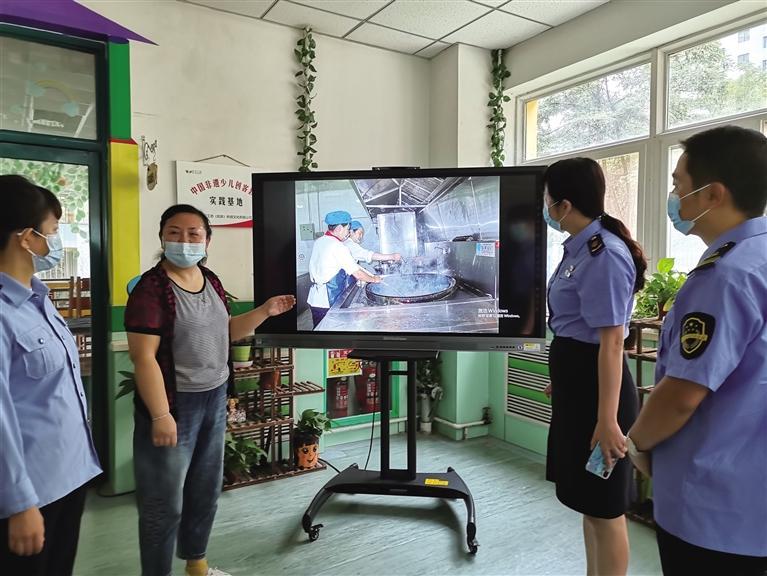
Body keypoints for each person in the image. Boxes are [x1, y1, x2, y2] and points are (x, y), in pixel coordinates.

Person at [124, 204, 295, 576]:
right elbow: (143, 357)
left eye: (193, 233)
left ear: (207, 240)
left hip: (213, 398)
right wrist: (160, 415)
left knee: (204, 488)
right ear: (162, 237)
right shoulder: (151, 289)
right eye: (174, 232)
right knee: (162, 501)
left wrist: (264, 311)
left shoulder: (211, 281)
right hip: (173, 405)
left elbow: (226, 331)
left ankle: (196, 563)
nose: (184, 240)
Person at [627, 126, 767, 576]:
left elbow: (682, 394)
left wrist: (637, 443)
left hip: (715, 511)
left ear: (712, 195)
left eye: (678, 185)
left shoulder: (724, 277)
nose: (673, 197)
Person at [543, 158, 646, 576]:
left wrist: (607, 420)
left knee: (606, 509)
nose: (545, 207)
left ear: (565, 205)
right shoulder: (579, 248)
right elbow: (577, 329)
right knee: (588, 503)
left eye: (547, 199)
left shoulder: (604, 254)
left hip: (601, 396)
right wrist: (563, 380)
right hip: (581, 383)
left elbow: (611, 342)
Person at [0, 175, 101, 575]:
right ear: (27, 238)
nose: (55, 242)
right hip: (29, 494)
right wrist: (19, 503)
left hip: (69, 477)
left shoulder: (38, 299)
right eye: (53, 231)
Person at [307, 211, 380, 328]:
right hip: (327, 300)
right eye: (348, 229)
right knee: (329, 331)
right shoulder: (338, 246)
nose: (348, 233)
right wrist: (374, 279)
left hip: (315, 299)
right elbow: (357, 273)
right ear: (339, 228)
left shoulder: (320, 241)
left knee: (319, 329)